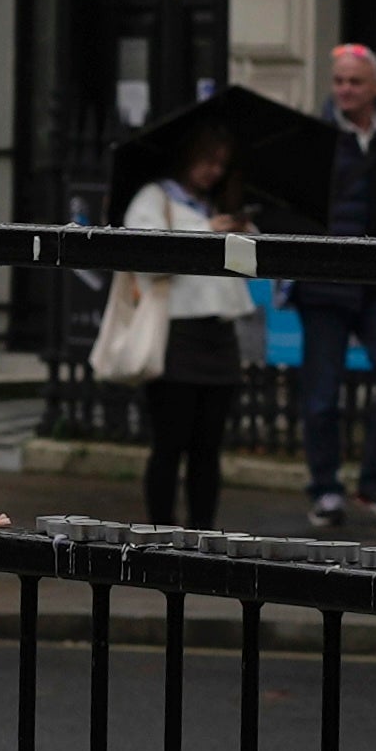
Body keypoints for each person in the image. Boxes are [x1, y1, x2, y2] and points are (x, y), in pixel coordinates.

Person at [293, 37, 376, 533]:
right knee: (322, 397)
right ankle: (325, 489)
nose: (345, 90)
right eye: (339, 82)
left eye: (355, 82)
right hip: (324, 284)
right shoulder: (313, 139)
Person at [109, 128, 255, 527]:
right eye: (208, 159)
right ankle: (161, 527)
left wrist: (242, 234)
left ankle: (202, 532)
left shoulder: (217, 204)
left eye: (222, 163)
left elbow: (246, 270)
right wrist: (210, 232)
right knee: (170, 444)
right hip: (177, 334)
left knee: (208, 447)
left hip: (219, 334)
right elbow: (149, 256)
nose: (214, 170)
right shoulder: (155, 199)